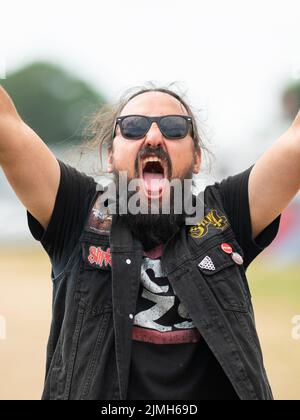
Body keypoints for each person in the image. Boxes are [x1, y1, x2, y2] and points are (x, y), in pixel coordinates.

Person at [0, 84, 299, 401]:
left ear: (196, 158)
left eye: (174, 128)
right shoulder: (76, 212)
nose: (154, 137)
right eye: (132, 127)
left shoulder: (227, 215)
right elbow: (7, 129)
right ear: (111, 156)